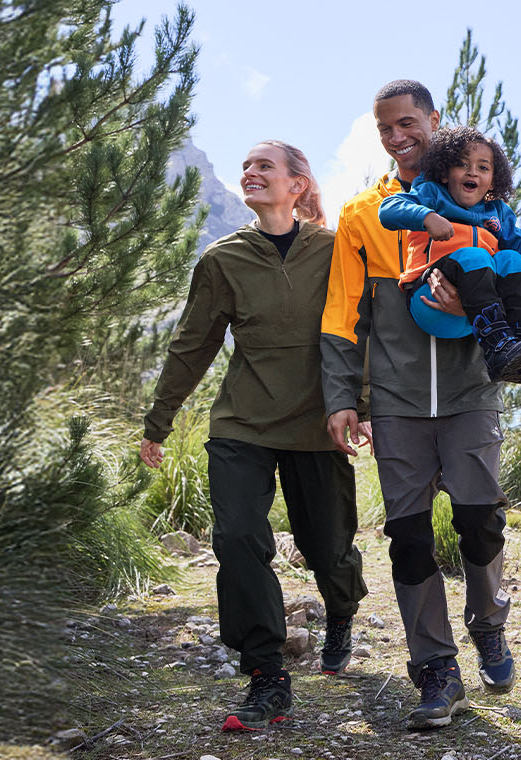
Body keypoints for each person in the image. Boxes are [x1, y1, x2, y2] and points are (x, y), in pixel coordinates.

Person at [140, 141, 367, 734]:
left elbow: (360, 329)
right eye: (246, 166)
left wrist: (361, 404)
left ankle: (341, 609)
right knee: (238, 538)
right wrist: (159, 420)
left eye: (265, 165)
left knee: (327, 547)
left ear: (298, 184)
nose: (251, 172)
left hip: (318, 422)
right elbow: (193, 344)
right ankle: (267, 675)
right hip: (242, 422)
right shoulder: (223, 259)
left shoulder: (334, 249)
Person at [320, 81, 517, 732]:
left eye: (408, 122)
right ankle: (435, 667)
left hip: (469, 394)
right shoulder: (363, 215)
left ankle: (488, 622)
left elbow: (515, 289)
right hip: (398, 402)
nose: (397, 136)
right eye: (385, 128)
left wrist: (480, 304)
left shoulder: (481, 201)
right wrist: (342, 397)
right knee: (407, 538)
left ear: (434, 120)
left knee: (480, 521)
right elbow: (343, 314)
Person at [378, 122, 521, 381]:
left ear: (493, 180)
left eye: (483, 167)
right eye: (462, 164)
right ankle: (497, 348)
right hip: (431, 298)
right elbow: (389, 209)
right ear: (444, 172)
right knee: (476, 255)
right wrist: (427, 217)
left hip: (473, 315)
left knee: (512, 258)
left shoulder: (497, 211)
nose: (472, 172)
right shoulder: (432, 193)